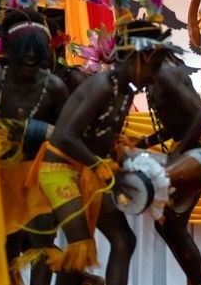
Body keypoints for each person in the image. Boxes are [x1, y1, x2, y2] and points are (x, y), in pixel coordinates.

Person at [26, 20, 177, 285]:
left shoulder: (126, 91)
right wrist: (101, 168)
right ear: (136, 58)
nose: (154, 75)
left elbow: (102, 141)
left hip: (90, 170)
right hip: (59, 170)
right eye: (153, 66)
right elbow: (65, 137)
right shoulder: (102, 86)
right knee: (80, 246)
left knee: (124, 241)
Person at [0, 10, 71, 285]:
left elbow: (66, 138)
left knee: (43, 245)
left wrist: (41, 134)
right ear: (10, 50)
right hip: (1, 176)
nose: (32, 56)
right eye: (25, 49)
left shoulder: (55, 87)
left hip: (41, 176)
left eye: (37, 50)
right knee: (6, 246)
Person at [144, 56, 201, 285]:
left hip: (195, 151)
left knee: (172, 225)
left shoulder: (166, 72)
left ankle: (199, 282)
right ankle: (198, 281)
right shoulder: (155, 75)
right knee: (166, 224)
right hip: (185, 149)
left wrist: (179, 153)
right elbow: (178, 124)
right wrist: (145, 141)